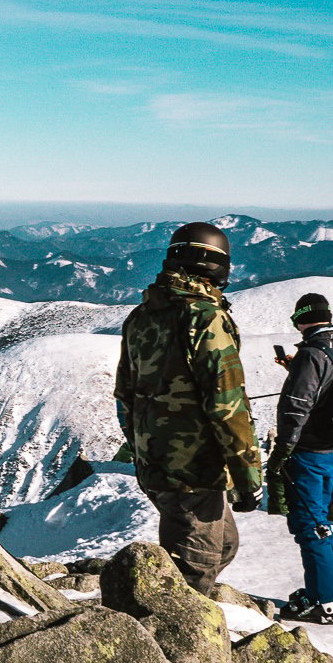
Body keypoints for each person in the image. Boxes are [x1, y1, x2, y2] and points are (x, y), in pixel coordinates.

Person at [113, 222, 263, 598]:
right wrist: (249, 478)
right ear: (216, 265)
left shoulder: (142, 315)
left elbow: (124, 393)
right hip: (193, 466)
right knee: (193, 567)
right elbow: (228, 406)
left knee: (223, 544)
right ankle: (165, 640)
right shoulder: (204, 319)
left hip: (157, 459)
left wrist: (141, 447)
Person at [267, 292, 333, 624]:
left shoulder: (311, 355)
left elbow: (296, 407)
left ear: (300, 320)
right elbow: (329, 388)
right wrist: (294, 367)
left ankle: (326, 603)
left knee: (309, 525)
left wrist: (281, 451)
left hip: (306, 450)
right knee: (320, 522)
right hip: (330, 448)